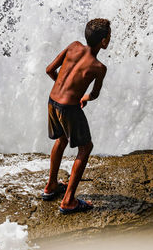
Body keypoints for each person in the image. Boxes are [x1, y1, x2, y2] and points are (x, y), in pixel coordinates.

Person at [43, 18, 110, 214]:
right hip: (69, 108)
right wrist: (84, 97)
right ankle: (68, 200)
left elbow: (49, 70)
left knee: (62, 139)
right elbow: (95, 94)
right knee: (86, 147)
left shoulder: (73, 46)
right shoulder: (99, 67)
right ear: (104, 41)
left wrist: (62, 88)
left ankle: (51, 186)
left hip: (52, 101)